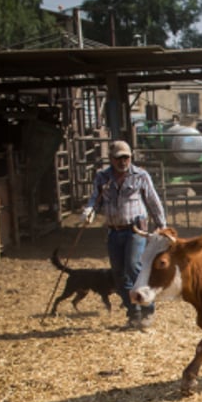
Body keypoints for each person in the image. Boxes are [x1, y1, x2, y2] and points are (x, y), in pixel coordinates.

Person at [80, 140, 167, 330]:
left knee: (133, 266)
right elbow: (95, 199)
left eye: (126, 157)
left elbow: (153, 200)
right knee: (119, 274)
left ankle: (147, 308)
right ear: (111, 159)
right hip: (114, 230)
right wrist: (89, 212)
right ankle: (133, 311)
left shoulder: (140, 176)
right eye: (119, 158)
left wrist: (162, 225)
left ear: (131, 157)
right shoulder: (102, 177)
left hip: (135, 230)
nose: (123, 161)